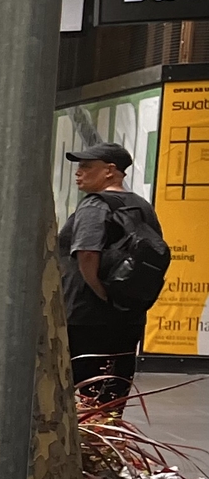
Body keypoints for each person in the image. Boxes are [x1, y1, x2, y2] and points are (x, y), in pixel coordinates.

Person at [57, 143, 167, 414]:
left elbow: (86, 253)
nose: (78, 173)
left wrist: (101, 292)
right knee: (112, 393)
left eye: (86, 167)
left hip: (85, 315)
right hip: (129, 314)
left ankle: (86, 453)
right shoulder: (142, 206)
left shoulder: (95, 205)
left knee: (82, 394)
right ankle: (108, 448)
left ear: (110, 171)